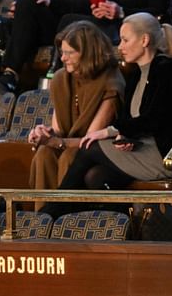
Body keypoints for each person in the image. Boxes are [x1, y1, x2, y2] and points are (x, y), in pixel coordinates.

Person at [41, 12, 172, 219]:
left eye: (125, 40)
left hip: (168, 154)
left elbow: (156, 119)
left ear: (144, 40)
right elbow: (130, 120)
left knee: (91, 147)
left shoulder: (169, 70)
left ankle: (52, 210)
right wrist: (125, 138)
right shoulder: (134, 74)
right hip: (141, 150)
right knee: (95, 177)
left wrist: (111, 131)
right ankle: (120, 228)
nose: (120, 46)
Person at [28, 20, 125, 205]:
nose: (63, 58)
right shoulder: (59, 79)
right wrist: (43, 134)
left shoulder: (111, 81)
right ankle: (42, 219)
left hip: (96, 151)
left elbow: (91, 141)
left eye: (70, 53)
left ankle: (69, 219)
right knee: (44, 154)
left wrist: (58, 142)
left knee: (69, 157)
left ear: (88, 54)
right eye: (62, 52)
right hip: (67, 143)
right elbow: (58, 130)